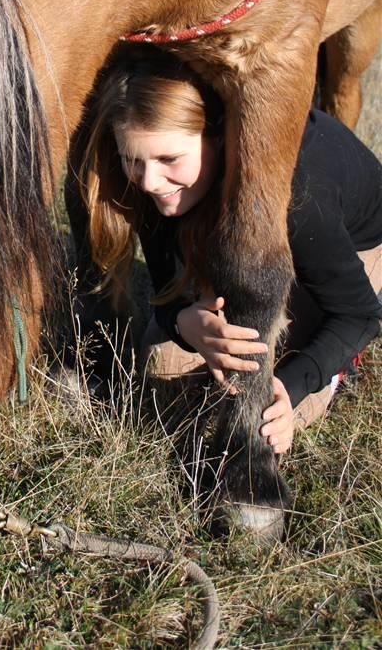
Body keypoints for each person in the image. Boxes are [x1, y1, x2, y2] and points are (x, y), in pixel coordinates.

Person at [71, 49, 382, 453]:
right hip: (228, 226)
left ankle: (340, 371)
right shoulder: (156, 185)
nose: (148, 181)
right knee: (162, 366)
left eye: (169, 158)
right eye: (133, 159)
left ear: (217, 137)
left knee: (271, 416)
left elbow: (358, 313)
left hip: (353, 249)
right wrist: (185, 321)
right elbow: (166, 289)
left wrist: (294, 385)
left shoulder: (301, 199)